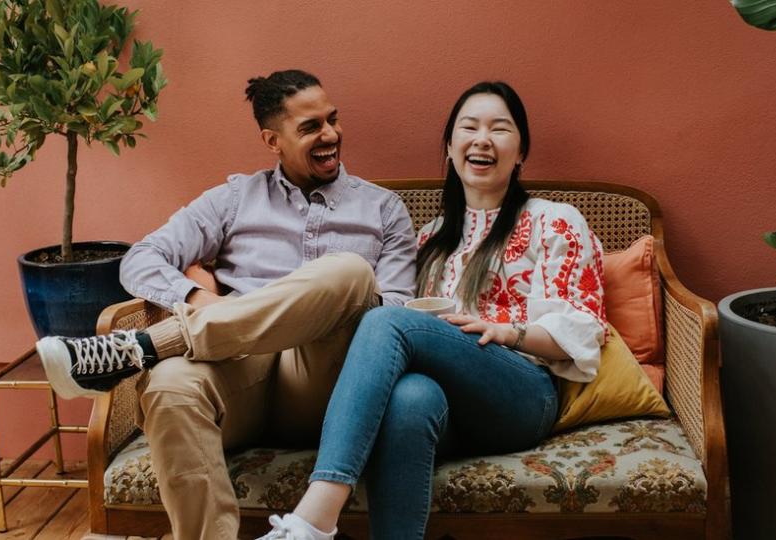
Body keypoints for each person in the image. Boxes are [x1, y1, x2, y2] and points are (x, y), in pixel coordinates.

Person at [35, 69, 417, 540]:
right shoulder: (235, 198)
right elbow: (141, 259)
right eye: (311, 127)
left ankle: (139, 348)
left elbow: (396, 310)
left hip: (328, 380)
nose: (331, 135)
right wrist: (201, 298)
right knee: (169, 383)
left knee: (350, 273)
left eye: (332, 120)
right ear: (272, 139)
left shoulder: (382, 208)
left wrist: (322, 302)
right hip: (240, 369)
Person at [258, 81, 609, 540]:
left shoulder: (554, 219)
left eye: (499, 129)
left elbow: (585, 328)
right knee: (410, 399)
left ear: (520, 151)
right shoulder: (429, 239)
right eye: (469, 127)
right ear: (450, 146)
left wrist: (508, 333)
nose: (482, 139)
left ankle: (314, 517)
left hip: (522, 394)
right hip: (446, 405)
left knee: (385, 320)